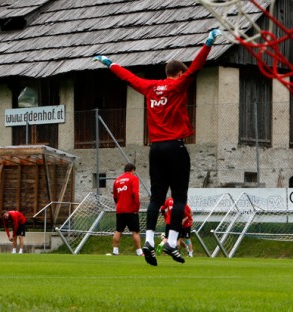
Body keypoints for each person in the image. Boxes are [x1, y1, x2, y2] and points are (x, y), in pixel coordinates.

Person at [94, 28, 222, 266]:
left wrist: (109, 63)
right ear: (179, 73)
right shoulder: (178, 86)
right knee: (180, 197)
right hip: (175, 147)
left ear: (165, 73)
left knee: (156, 198)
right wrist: (208, 43)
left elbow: (128, 77)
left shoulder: (150, 87)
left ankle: (150, 241)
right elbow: (197, 67)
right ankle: (172, 243)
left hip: (156, 149)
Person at [111, 163, 142, 256]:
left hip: (120, 209)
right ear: (132, 170)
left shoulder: (117, 180)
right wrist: (137, 207)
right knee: (135, 231)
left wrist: (119, 205)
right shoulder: (134, 178)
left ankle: (115, 251)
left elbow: (115, 196)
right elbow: (135, 194)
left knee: (118, 230)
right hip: (131, 209)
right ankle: (139, 252)